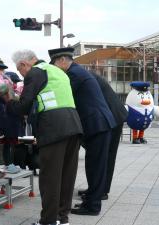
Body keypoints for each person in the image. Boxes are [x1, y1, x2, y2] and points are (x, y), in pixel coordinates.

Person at [4, 50, 83, 225]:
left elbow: (23, 107)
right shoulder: (55, 70)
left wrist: (8, 99)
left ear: (24, 64)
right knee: (66, 177)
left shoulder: (35, 72)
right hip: (73, 126)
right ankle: (62, 219)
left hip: (54, 129)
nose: (21, 74)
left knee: (50, 178)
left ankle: (48, 221)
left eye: (19, 70)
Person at [48, 47, 116, 216]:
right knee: (94, 165)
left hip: (97, 124)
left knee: (96, 166)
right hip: (97, 124)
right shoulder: (77, 72)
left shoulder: (74, 75)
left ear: (63, 60)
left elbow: (61, 94)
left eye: (55, 63)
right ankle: (91, 199)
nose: (55, 68)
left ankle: (93, 206)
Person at [78, 73, 128, 200]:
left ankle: (101, 191)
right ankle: (98, 189)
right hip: (112, 114)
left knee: (105, 155)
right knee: (103, 155)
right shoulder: (83, 74)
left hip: (112, 116)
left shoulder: (80, 77)